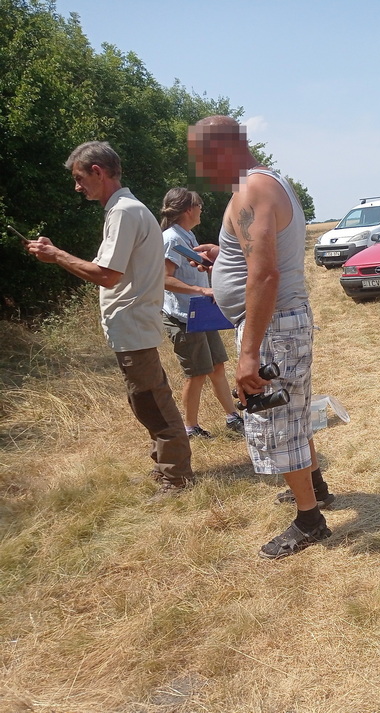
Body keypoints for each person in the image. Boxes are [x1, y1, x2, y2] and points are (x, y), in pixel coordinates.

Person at [188, 115, 334, 560]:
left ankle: (309, 521)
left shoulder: (253, 189)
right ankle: (317, 489)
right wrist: (224, 256)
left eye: (201, 159)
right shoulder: (266, 184)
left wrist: (249, 353)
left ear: (222, 150)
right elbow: (258, 255)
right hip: (280, 324)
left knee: (277, 420)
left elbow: (266, 272)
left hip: (271, 328)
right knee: (295, 413)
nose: (200, 171)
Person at [26, 141, 193, 497]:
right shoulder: (124, 210)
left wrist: (56, 254)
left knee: (152, 402)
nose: (77, 186)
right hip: (132, 325)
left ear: (98, 172)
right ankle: (166, 467)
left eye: (79, 178)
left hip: (133, 325)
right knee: (145, 399)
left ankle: (177, 477)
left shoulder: (124, 212)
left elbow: (106, 274)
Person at [159, 187, 244, 439]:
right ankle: (190, 428)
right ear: (188, 210)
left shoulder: (187, 236)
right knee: (196, 374)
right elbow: (163, 279)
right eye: (199, 205)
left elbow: (192, 269)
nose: (201, 210)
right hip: (183, 317)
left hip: (200, 314)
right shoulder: (172, 239)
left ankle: (232, 417)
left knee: (217, 366)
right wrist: (200, 289)